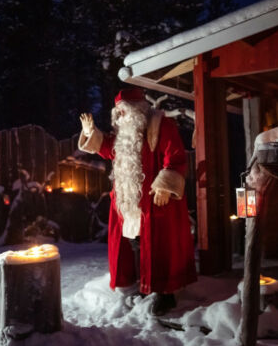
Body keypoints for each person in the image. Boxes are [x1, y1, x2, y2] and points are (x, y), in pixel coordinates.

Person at [79, 87, 197, 316]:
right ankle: (143, 286)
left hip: (154, 199)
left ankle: (165, 293)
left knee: (159, 245)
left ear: (136, 110)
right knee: (135, 244)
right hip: (130, 202)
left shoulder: (160, 126)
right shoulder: (124, 135)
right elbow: (109, 148)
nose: (120, 117)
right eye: (118, 113)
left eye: (123, 112)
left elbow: (175, 157)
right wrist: (90, 132)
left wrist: (165, 186)